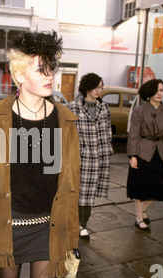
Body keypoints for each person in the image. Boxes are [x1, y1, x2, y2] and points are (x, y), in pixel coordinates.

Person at [0, 30, 80, 278]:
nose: (50, 76)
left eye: (51, 69)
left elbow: (71, 183)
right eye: (41, 70)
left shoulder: (65, 121)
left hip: (48, 225)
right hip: (8, 225)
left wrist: (72, 234)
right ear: (19, 76)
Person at [67, 73, 113, 240]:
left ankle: (83, 225)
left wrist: (107, 150)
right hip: (80, 158)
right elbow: (68, 134)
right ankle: (73, 224)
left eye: (101, 87)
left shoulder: (104, 107)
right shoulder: (73, 107)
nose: (98, 90)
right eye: (96, 87)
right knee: (75, 194)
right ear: (87, 87)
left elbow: (107, 132)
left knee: (88, 195)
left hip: (98, 157)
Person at [127, 79, 163, 231]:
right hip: (142, 152)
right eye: (157, 90)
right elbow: (133, 134)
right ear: (149, 92)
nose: (160, 93)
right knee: (141, 188)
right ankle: (139, 218)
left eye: (162, 90)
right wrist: (132, 155)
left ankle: (143, 210)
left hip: (159, 152)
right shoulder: (139, 111)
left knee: (162, 188)